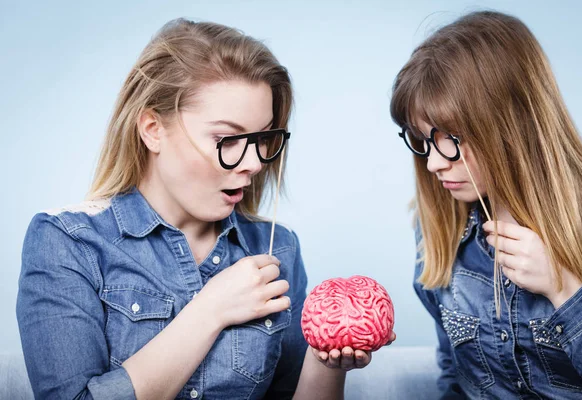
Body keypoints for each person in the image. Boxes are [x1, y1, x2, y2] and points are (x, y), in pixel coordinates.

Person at [17, 18, 384, 400]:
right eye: (227, 139)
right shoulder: (67, 242)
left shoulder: (279, 247)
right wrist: (210, 310)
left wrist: (326, 365)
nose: (255, 163)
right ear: (152, 129)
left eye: (262, 139)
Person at [390, 10, 582, 399]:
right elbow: (454, 377)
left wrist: (566, 291)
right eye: (421, 139)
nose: (433, 162)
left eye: (451, 137)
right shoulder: (439, 229)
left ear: (512, 123)